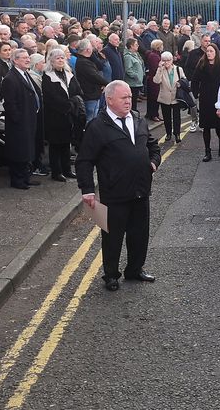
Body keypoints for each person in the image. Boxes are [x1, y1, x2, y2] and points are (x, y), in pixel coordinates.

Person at [79, 82, 162, 290]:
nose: (128, 101)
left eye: (129, 97)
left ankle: (135, 269)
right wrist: (87, 189)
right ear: (109, 100)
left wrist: (153, 162)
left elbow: (152, 145)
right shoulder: (98, 126)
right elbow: (84, 160)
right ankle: (111, 274)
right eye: (123, 98)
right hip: (114, 192)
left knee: (139, 234)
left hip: (141, 189)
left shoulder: (137, 119)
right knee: (112, 236)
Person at [2, 48, 43, 190]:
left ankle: (26, 177)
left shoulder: (25, 74)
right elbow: (10, 103)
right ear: (15, 60)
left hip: (30, 118)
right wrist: (18, 118)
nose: (28, 60)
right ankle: (18, 180)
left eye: (28, 57)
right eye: (24, 58)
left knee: (27, 149)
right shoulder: (10, 78)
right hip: (19, 122)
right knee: (19, 151)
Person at [42, 48, 83, 182]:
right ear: (51, 61)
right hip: (55, 115)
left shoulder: (68, 73)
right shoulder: (48, 76)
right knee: (55, 145)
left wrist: (72, 104)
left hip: (69, 114)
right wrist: (67, 105)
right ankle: (56, 171)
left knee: (66, 144)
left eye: (62, 58)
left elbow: (77, 90)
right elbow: (50, 97)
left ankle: (67, 169)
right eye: (57, 58)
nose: (60, 60)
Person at [191, 42, 220, 161]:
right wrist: (196, 94)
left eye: (212, 51)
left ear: (216, 53)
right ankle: (207, 151)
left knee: (218, 126)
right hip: (205, 98)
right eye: (208, 51)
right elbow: (194, 80)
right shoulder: (201, 64)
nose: (209, 53)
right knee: (206, 127)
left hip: (217, 98)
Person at [152, 51, 186, 143]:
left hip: (176, 96)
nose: (166, 62)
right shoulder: (161, 70)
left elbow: (184, 79)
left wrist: (180, 83)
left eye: (168, 60)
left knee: (176, 117)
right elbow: (156, 81)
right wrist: (159, 68)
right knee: (166, 117)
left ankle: (177, 134)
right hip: (165, 97)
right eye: (164, 60)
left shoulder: (178, 69)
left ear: (172, 60)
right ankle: (168, 133)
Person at [75, 39, 108, 122]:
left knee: (94, 116)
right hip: (90, 94)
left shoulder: (86, 60)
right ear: (88, 50)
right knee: (91, 118)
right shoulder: (83, 62)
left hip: (93, 93)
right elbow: (94, 76)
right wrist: (107, 83)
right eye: (91, 47)